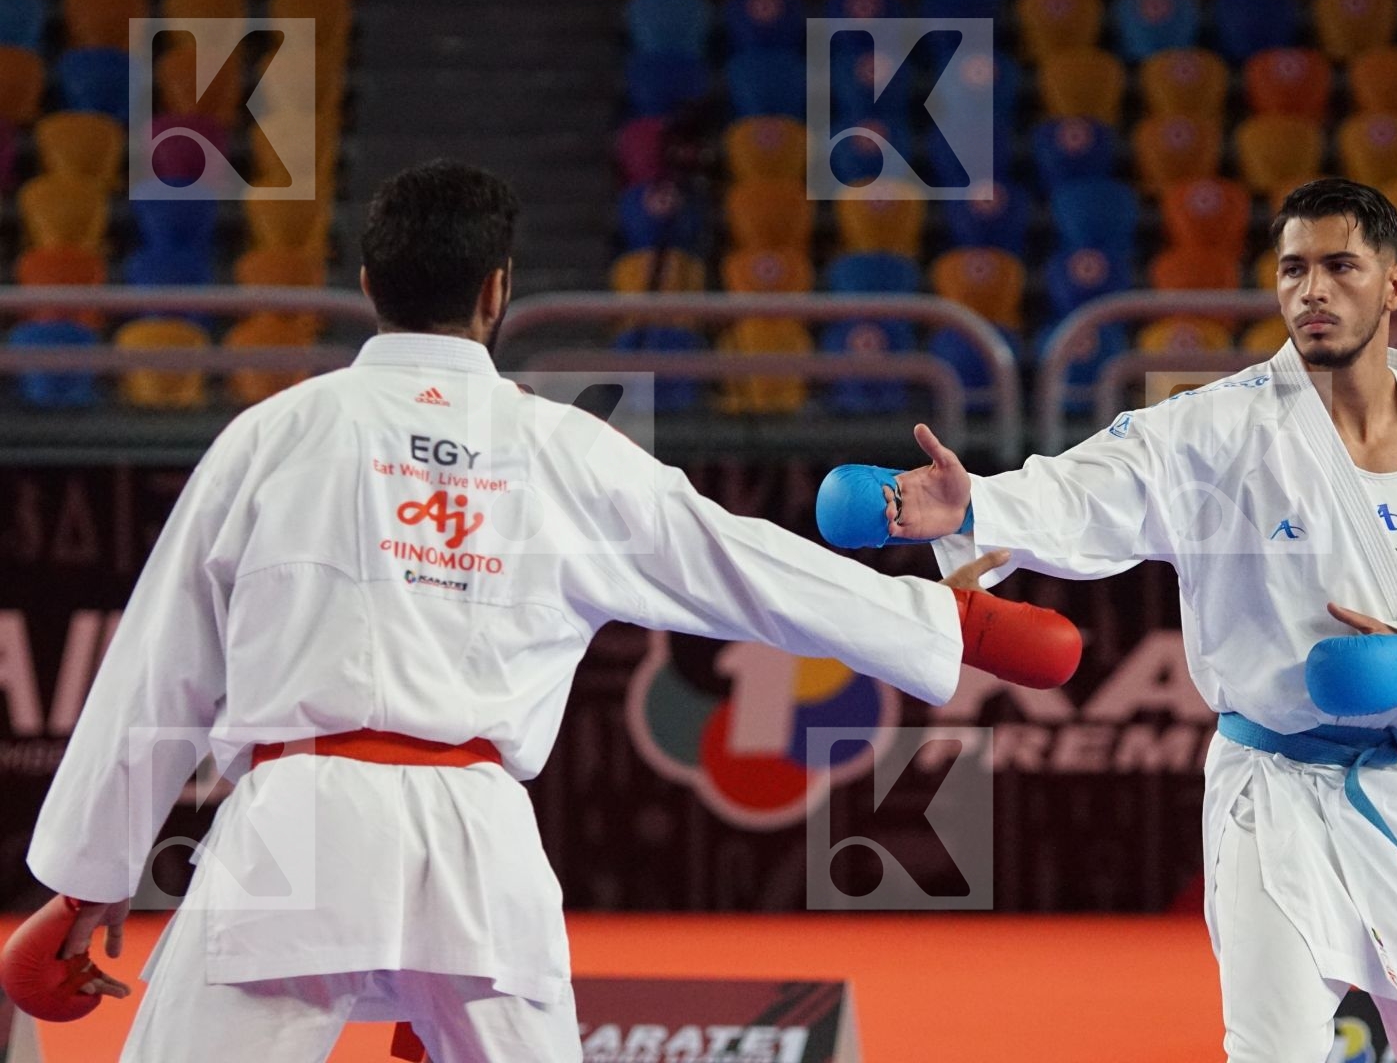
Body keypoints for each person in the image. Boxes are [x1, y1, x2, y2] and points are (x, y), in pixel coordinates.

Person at [10, 160, 1075, 1061]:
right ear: (498, 293)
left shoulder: (274, 435)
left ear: (370, 280)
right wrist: (948, 624)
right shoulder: (561, 449)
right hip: (479, 845)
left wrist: (84, 885)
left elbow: (161, 665)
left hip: (294, 837)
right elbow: (737, 565)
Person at [821, 178, 1397, 1061]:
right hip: (1272, 795)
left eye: (1339, 267)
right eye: (1293, 270)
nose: (1312, 292)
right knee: (1273, 1050)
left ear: (1394, 285)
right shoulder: (1224, 427)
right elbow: (1094, 487)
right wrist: (973, 507)